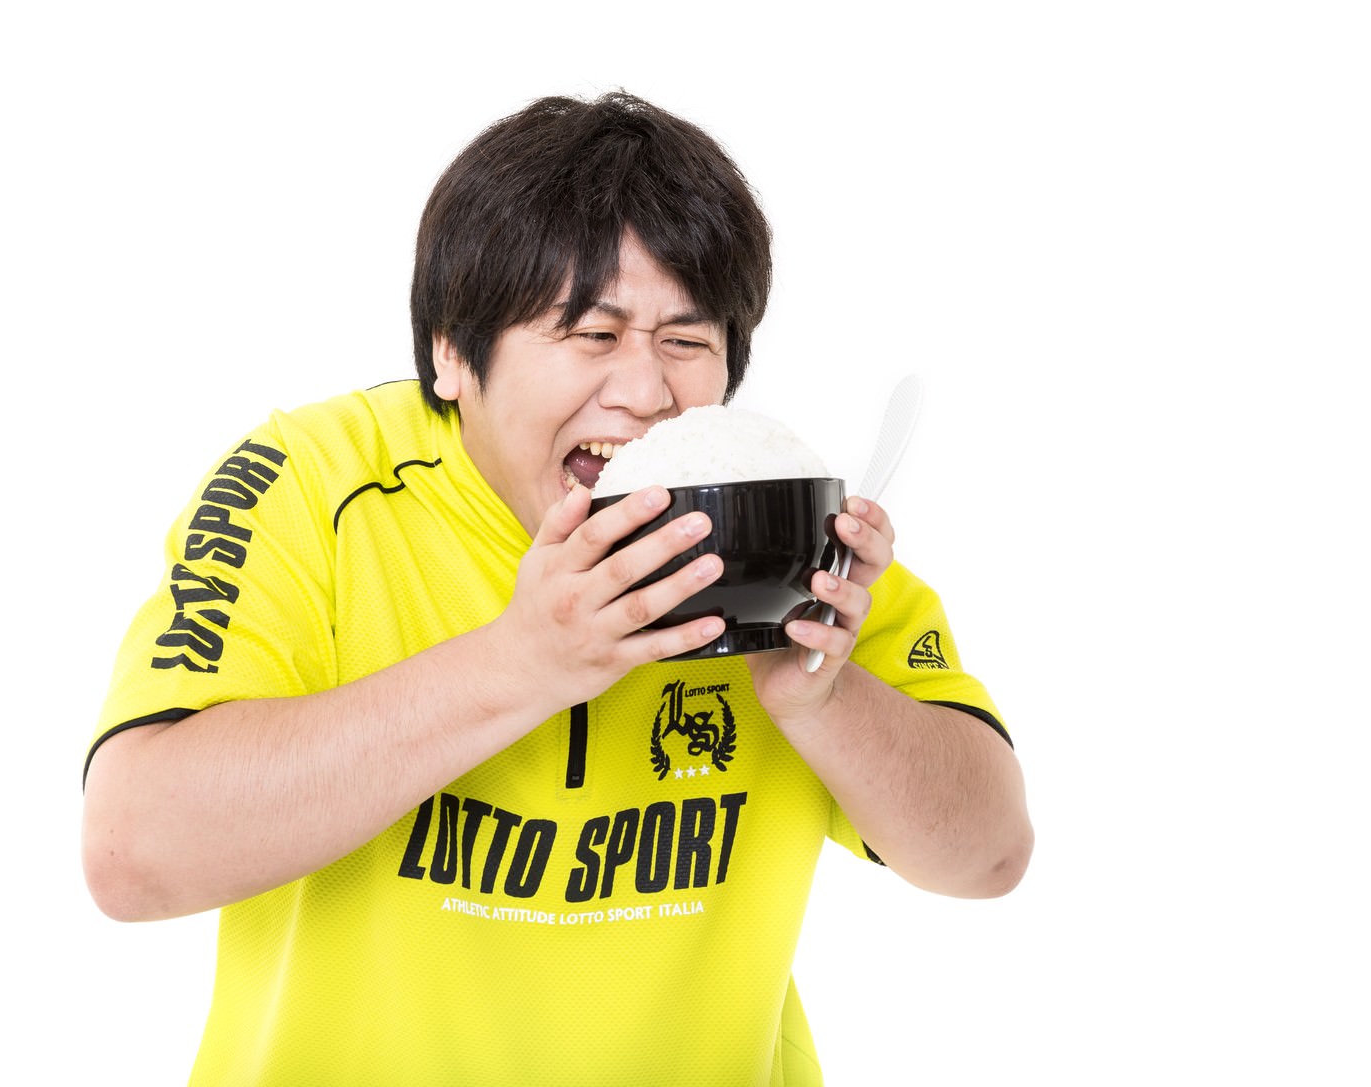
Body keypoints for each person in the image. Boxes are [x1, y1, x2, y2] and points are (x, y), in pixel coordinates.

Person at [82, 91, 1032, 1086]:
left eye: (686, 341)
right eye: (591, 333)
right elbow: (131, 853)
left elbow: (989, 857)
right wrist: (519, 665)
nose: (646, 393)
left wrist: (825, 701)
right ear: (452, 352)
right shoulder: (311, 484)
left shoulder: (774, 525)